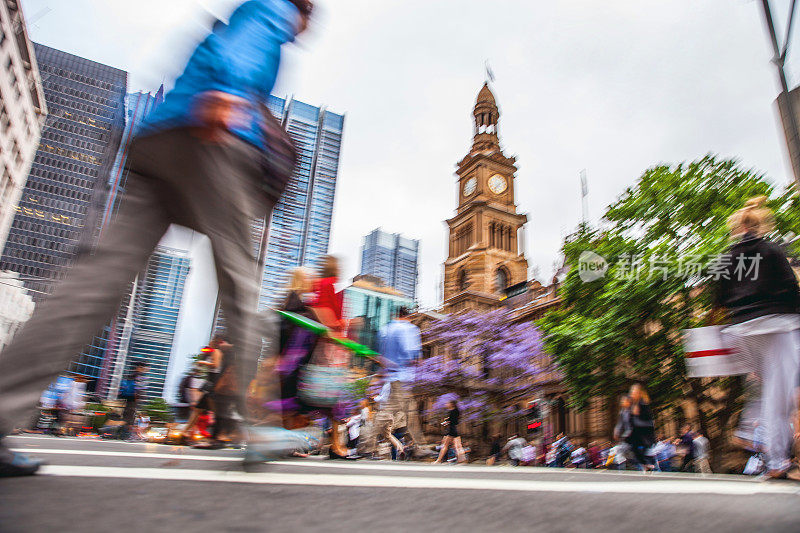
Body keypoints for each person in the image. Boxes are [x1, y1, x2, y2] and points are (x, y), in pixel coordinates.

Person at [0, 0, 315, 476]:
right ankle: (252, 426)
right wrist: (227, 92)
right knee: (241, 284)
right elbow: (243, 46)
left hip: (158, 140)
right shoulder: (274, 9)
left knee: (94, 283)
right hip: (215, 138)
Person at [715, 197, 800, 480]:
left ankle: (754, 434)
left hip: (742, 330)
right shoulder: (771, 250)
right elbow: (791, 287)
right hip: (775, 326)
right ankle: (760, 441)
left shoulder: (726, 257)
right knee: (781, 394)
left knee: (765, 388)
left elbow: (719, 298)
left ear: (736, 228)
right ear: (761, 225)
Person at [367, 306, 422, 461]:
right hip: (402, 377)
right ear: (408, 316)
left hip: (390, 378)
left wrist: (381, 374)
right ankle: (366, 446)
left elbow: (379, 356)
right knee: (407, 413)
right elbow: (410, 353)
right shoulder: (409, 329)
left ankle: (417, 447)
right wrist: (415, 361)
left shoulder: (385, 329)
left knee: (408, 413)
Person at [627, 383, 656, 471]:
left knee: (644, 448)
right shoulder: (633, 405)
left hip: (645, 430)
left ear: (638, 393)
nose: (632, 394)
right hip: (637, 431)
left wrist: (638, 414)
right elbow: (631, 420)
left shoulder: (643, 403)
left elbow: (648, 418)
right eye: (631, 392)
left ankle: (649, 463)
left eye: (634, 393)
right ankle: (645, 464)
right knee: (633, 448)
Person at [120, 362, 149, 441]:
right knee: (130, 417)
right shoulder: (137, 376)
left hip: (131, 399)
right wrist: (139, 398)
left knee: (129, 417)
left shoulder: (133, 376)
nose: (145, 369)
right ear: (139, 368)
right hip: (133, 400)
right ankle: (126, 435)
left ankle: (126, 434)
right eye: (143, 368)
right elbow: (138, 389)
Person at [433, 399, 467, 464]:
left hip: (451, 430)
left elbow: (451, 421)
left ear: (451, 404)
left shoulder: (452, 411)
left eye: (447, 403)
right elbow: (454, 421)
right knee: (457, 445)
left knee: (445, 445)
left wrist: (445, 422)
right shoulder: (456, 411)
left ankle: (439, 460)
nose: (446, 405)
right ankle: (462, 460)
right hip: (454, 429)